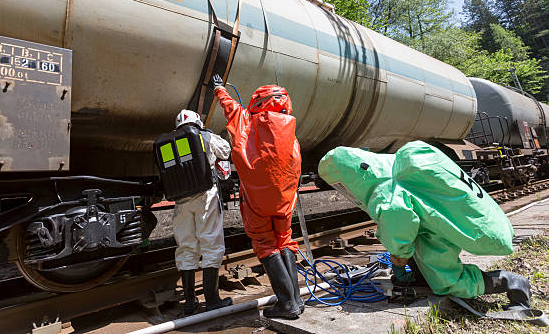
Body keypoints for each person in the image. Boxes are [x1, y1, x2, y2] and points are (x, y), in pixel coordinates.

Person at [318, 140, 534, 310]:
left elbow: (399, 228)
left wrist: (399, 260)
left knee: (447, 282)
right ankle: (423, 277)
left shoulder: (384, 191)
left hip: (456, 229)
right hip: (452, 221)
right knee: (427, 263)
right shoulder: (388, 166)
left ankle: (509, 281)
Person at [212, 74, 302, 319]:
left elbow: (230, 108)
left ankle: (287, 304)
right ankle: (296, 299)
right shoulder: (288, 125)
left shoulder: (246, 122)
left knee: (265, 244)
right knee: (284, 240)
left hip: (258, 202)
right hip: (285, 199)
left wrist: (219, 88)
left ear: (257, 102)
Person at [171, 109, 232, 315]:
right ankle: (212, 299)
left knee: (186, 246)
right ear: (198, 121)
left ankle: (190, 302)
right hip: (206, 197)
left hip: (181, 202)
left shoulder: (169, 141)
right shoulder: (205, 135)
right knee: (211, 243)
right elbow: (225, 150)